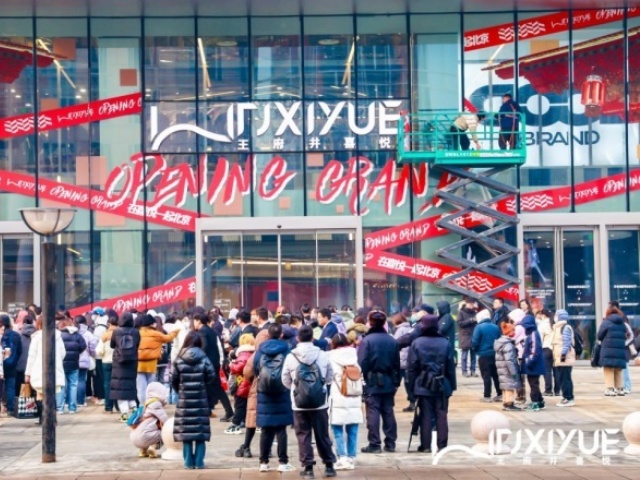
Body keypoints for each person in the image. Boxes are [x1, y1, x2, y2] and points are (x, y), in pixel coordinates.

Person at [281, 325, 336, 479]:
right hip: (320, 403)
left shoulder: (291, 356)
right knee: (322, 434)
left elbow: (285, 379)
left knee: (303, 435)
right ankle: (329, 466)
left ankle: (308, 468)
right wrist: (321, 386)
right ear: (313, 338)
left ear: (298, 338)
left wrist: (296, 390)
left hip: (299, 404)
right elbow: (330, 376)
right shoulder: (323, 355)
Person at [407, 313, 457, 452]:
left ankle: (426, 445)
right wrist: (452, 386)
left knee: (425, 415)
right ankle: (442, 445)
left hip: (422, 383)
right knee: (441, 414)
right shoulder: (445, 343)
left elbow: (412, 368)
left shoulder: (417, 343)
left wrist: (411, 388)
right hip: (442, 382)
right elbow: (450, 367)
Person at [253, 323, 295, 473]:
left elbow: (255, 368)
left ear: (268, 334)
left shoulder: (260, 350)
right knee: (281, 428)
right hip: (281, 391)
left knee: (266, 428)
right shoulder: (286, 350)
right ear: (281, 335)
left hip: (264, 392)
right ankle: (283, 461)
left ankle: (263, 462)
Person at [358, 311, 401, 454]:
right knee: (388, 411)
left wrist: (362, 379)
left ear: (370, 322)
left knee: (373, 411)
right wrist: (396, 382)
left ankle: (375, 443)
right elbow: (396, 364)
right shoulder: (392, 340)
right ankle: (390, 442)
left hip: (372, 380)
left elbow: (362, 363)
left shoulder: (367, 341)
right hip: (388, 380)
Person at [172, 331, 217, 470]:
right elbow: (212, 375)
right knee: (200, 432)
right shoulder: (204, 357)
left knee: (186, 433)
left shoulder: (179, 358)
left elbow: (173, 379)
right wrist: (203, 384)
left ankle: (187, 462)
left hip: (184, 400)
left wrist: (180, 390)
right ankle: (199, 462)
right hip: (200, 398)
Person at [328, 333, 363, 470]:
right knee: (352, 429)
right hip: (354, 396)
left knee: (337, 429)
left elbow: (328, 377)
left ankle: (342, 457)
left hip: (338, 396)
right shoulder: (353, 356)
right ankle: (351, 457)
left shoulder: (330, 356)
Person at [236, 329, 270, 460]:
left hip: (257, 388)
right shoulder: (278, 353)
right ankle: (267, 449)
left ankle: (246, 447)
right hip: (273, 390)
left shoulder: (256, 355)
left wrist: (253, 381)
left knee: (252, 419)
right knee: (269, 421)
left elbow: (247, 373)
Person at [25, 317, 66, 425]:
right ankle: (53, 418)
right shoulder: (57, 336)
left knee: (40, 394)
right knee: (51, 394)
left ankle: (43, 418)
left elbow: (32, 356)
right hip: (54, 369)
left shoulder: (37, 337)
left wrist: (28, 373)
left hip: (39, 369)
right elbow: (63, 353)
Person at [193, 312, 233, 421]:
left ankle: (229, 411)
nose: (194, 323)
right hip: (214, 362)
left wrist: (197, 357)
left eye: (194, 321)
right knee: (209, 387)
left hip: (208, 364)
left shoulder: (202, 331)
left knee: (216, 387)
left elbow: (204, 346)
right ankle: (209, 410)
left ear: (198, 321)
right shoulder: (211, 330)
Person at [137, 314, 179, 404]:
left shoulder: (137, 333)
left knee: (141, 388)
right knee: (151, 387)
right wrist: (176, 331)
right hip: (152, 364)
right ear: (151, 324)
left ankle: (142, 405)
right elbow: (168, 338)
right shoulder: (156, 334)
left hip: (139, 364)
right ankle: (151, 404)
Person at [110, 312, 141, 421]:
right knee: (130, 386)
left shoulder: (116, 331)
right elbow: (137, 344)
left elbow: (112, 345)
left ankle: (124, 414)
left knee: (120, 388)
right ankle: (134, 408)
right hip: (132, 362)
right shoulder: (136, 332)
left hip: (119, 362)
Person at [225, 333, 255, 435]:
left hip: (243, 383)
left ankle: (235, 424)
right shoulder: (252, 353)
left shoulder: (243, 354)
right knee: (247, 405)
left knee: (240, 405)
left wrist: (231, 365)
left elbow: (238, 368)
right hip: (250, 383)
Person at [130, 382, 169, 458]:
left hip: (134, 438)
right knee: (165, 433)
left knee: (147, 429)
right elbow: (166, 423)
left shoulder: (145, 405)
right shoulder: (156, 405)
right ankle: (153, 447)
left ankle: (143, 450)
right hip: (144, 437)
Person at [471, 309, 502, 403]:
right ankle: (500, 394)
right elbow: (499, 339)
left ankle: (487, 396)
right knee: (496, 375)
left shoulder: (479, 327)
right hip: (495, 354)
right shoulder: (496, 327)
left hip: (483, 354)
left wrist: (475, 350)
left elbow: (475, 341)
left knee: (486, 376)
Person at [58, 319, 87, 414]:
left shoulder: (59, 335)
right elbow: (83, 346)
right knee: (73, 385)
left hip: (61, 363)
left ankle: (60, 408)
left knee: (61, 385)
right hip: (74, 363)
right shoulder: (77, 335)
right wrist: (76, 353)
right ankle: (72, 408)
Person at [597, 307, 628, 396]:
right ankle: (620, 388)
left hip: (608, 349)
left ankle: (610, 389)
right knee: (618, 369)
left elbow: (599, 335)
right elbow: (625, 335)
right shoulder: (622, 323)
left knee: (608, 368)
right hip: (620, 349)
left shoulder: (606, 322)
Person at [494, 318, 521, 411]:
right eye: (513, 330)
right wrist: (514, 372)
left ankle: (505, 402)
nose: (514, 332)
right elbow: (510, 360)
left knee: (505, 386)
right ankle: (509, 403)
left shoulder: (500, 343)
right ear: (509, 332)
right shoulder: (508, 344)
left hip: (502, 369)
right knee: (509, 386)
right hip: (507, 369)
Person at [521, 314, 546, 410]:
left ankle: (535, 402)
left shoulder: (533, 334)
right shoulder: (532, 334)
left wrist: (529, 361)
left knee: (533, 384)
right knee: (534, 383)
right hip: (534, 365)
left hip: (534, 365)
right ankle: (539, 401)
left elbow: (535, 350)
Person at [552, 309, 575, 407]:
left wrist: (562, 355)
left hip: (564, 358)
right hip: (560, 357)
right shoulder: (557, 327)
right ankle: (567, 397)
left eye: (556, 315)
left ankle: (568, 398)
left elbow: (566, 342)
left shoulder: (565, 327)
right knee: (563, 378)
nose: (555, 317)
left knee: (565, 378)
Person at [392, 313, 415, 412]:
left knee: (395, 383)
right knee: (408, 383)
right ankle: (412, 402)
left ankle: (389, 402)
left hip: (401, 360)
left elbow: (394, 343)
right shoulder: (410, 329)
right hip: (409, 360)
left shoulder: (400, 330)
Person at [1, 314, 22, 416]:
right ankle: (10, 409)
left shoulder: (1, 335)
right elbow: (20, 350)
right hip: (12, 364)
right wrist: (15, 360)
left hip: (1, 364)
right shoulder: (16, 335)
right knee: (10, 387)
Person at [97, 316, 118, 413]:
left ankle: (109, 406)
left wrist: (103, 354)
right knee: (118, 384)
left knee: (107, 384)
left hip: (106, 361)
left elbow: (99, 351)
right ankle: (119, 406)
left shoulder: (104, 335)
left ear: (108, 324)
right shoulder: (120, 334)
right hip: (118, 362)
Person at [76, 316, 98, 408]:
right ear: (85, 323)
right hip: (84, 359)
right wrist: (92, 355)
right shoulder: (88, 334)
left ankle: (70, 401)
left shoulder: (72, 332)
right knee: (81, 380)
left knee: (71, 381)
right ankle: (80, 401)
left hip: (71, 360)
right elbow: (93, 346)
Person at [536, 309, 558, 396]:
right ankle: (557, 390)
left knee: (547, 370)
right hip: (555, 348)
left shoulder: (543, 324)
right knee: (556, 370)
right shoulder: (555, 323)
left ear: (543, 315)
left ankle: (548, 390)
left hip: (546, 348)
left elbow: (540, 338)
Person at [457, 299, 478, 377]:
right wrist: (470, 320)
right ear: (466, 304)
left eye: (472, 304)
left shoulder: (474, 312)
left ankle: (473, 371)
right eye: (470, 304)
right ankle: (464, 371)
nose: (471, 305)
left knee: (473, 355)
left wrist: (475, 320)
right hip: (464, 335)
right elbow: (460, 323)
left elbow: (477, 322)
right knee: (464, 355)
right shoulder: (461, 312)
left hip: (473, 335)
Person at [16, 313, 36, 389]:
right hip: (33, 368)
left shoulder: (19, 336)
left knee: (20, 391)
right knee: (33, 392)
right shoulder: (36, 336)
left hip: (20, 366)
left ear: (23, 323)